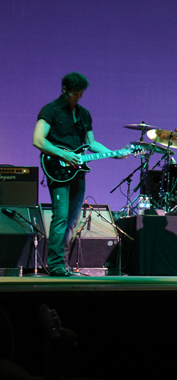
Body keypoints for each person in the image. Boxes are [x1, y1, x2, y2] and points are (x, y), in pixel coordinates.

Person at [33, 72, 117, 277]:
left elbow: (91, 143)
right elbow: (38, 140)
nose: (77, 98)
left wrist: (115, 153)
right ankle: (55, 265)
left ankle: (63, 264)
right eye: (74, 94)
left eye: (80, 94)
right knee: (60, 218)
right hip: (58, 170)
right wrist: (64, 154)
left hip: (77, 173)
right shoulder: (51, 110)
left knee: (71, 220)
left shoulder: (83, 114)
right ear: (65, 90)